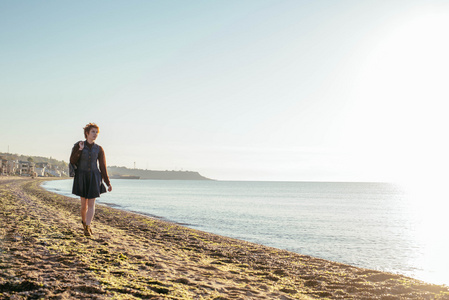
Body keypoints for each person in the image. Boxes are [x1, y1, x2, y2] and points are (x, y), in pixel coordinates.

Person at [70, 123, 112, 237]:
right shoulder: (78, 145)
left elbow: (102, 166)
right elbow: (72, 160)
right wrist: (79, 150)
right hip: (81, 177)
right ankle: (84, 223)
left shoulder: (99, 149)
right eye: (93, 132)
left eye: (96, 132)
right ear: (87, 133)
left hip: (94, 177)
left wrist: (108, 183)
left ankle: (88, 226)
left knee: (92, 204)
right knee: (84, 205)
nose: (95, 134)